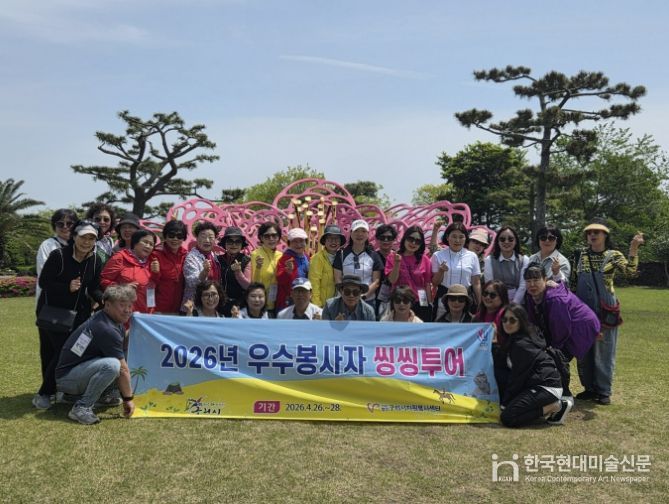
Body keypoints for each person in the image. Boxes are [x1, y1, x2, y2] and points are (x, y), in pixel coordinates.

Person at [570, 220, 644, 405]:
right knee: (584, 349)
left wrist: (633, 248)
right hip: (582, 309)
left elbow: (631, 272)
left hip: (606, 308)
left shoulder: (613, 255)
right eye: (589, 232)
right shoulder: (579, 255)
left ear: (605, 235)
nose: (592, 235)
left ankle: (604, 391)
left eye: (597, 232)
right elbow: (573, 284)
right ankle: (589, 388)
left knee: (605, 349)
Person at [33, 220, 103, 410]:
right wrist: (66, 287)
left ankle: (60, 391)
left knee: (72, 352)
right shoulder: (59, 255)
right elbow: (44, 283)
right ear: (74, 237)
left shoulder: (95, 260)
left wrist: (104, 299)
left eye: (91, 238)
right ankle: (45, 393)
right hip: (54, 313)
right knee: (58, 353)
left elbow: (94, 287)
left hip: (80, 315)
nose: (86, 242)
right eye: (83, 237)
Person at [55, 284, 137, 425]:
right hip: (67, 379)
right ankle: (81, 408)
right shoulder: (106, 328)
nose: (127, 310)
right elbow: (123, 369)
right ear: (107, 304)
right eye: (122, 305)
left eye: (130, 306)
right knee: (113, 365)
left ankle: (102, 396)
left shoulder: (111, 320)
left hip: (80, 372)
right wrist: (128, 399)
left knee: (125, 355)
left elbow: (122, 348)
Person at [524, 265, 600, 402]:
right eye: (528, 281)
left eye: (536, 280)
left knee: (557, 356)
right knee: (548, 355)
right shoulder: (530, 296)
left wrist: (552, 348)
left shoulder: (555, 298)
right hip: (564, 326)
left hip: (581, 325)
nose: (532, 284)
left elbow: (561, 329)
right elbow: (533, 323)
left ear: (545, 279)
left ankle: (564, 394)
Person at [498, 304, 571, 428]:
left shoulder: (521, 345)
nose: (507, 323)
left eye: (512, 320)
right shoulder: (518, 337)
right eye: (504, 319)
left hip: (546, 387)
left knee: (507, 417)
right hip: (537, 383)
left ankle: (555, 406)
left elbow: (517, 377)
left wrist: (504, 404)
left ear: (521, 321)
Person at [100, 230, 160, 314]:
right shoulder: (120, 257)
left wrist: (156, 273)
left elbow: (154, 285)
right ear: (135, 242)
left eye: (151, 244)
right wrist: (122, 288)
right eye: (145, 242)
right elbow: (103, 281)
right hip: (122, 312)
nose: (148, 246)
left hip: (146, 313)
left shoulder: (153, 261)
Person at [431, 222, 481, 320]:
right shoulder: (438, 255)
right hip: (444, 300)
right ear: (447, 237)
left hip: (465, 300)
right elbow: (435, 282)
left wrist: (480, 302)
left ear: (465, 238)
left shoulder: (472, 256)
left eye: (461, 237)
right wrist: (441, 271)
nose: (457, 240)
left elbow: (476, 282)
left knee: (466, 326)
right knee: (442, 326)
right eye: (454, 236)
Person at [385, 226, 433, 322]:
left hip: (420, 300)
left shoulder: (424, 259)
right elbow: (392, 280)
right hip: (400, 301)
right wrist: (397, 263)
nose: (413, 243)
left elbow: (427, 284)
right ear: (404, 238)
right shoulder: (393, 256)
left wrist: (430, 303)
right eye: (411, 239)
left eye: (418, 241)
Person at [333, 219, 383, 308]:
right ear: (351, 233)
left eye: (363, 231)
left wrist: (363, 296)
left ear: (368, 234)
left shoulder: (374, 255)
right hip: (345, 301)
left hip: (367, 301)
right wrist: (346, 296)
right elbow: (338, 279)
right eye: (356, 231)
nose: (360, 234)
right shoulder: (341, 254)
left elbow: (376, 281)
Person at [35, 208, 78, 303]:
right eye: (60, 224)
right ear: (54, 226)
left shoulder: (81, 245)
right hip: (51, 299)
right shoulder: (48, 245)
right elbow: (45, 275)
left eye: (69, 223)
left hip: (75, 299)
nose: (65, 227)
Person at [181, 221, 222, 310]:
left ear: (215, 239)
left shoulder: (214, 256)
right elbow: (191, 282)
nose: (207, 240)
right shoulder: (191, 257)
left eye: (211, 237)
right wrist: (204, 272)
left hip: (212, 306)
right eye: (203, 237)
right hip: (193, 307)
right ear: (196, 237)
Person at [483, 226, 529, 304]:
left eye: (510, 239)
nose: (506, 242)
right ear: (497, 242)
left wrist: (513, 305)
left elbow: (523, 285)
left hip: (519, 304)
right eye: (502, 239)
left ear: (516, 241)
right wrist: (501, 304)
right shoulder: (489, 260)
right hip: (496, 303)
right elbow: (490, 284)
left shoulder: (524, 260)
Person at [152, 220, 188, 314]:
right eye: (171, 235)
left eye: (179, 236)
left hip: (179, 309)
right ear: (165, 236)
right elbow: (150, 283)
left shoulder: (187, 256)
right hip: (158, 309)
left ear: (183, 238)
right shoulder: (155, 255)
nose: (175, 239)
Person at [217, 226, 251, 316]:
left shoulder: (247, 260)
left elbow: (247, 286)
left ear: (242, 245)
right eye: (230, 241)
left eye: (238, 242)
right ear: (224, 244)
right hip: (219, 304)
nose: (234, 245)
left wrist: (238, 272)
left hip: (239, 306)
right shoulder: (218, 260)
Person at [250, 222, 283, 316]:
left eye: (274, 235)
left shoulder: (281, 255)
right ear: (261, 238)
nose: (271, 239)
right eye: (267, 236)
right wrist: (258, 267)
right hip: (261, 305)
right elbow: (254, 283)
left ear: (279, 237)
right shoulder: (255, 254)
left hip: (279, 303)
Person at [309, 224, 345, 307]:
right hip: (323, 305)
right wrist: (317, 306)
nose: (333, 241)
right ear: (324, 241)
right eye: (330, 238)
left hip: (339, 304)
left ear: (340, 241)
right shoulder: (317, 258)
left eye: (336, 239)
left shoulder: (343, 256)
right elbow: (314, 284)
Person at [276, 228, 310, 311]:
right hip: (288, 301)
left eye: (301, 241)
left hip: (303, 299)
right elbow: (279, 279)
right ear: (289, 244)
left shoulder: (307, 257)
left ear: (306, 242)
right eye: (294, 241)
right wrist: (287, 272)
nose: (298, 244)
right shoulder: (285, 258)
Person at [374, 224, 398, 317]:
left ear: (394, 239)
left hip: (396, 298)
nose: (386, 240)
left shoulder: (398, 257)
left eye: (389, 238)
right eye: (382, 237)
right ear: (377, 239)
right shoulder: (372, 256)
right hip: (375, 297)